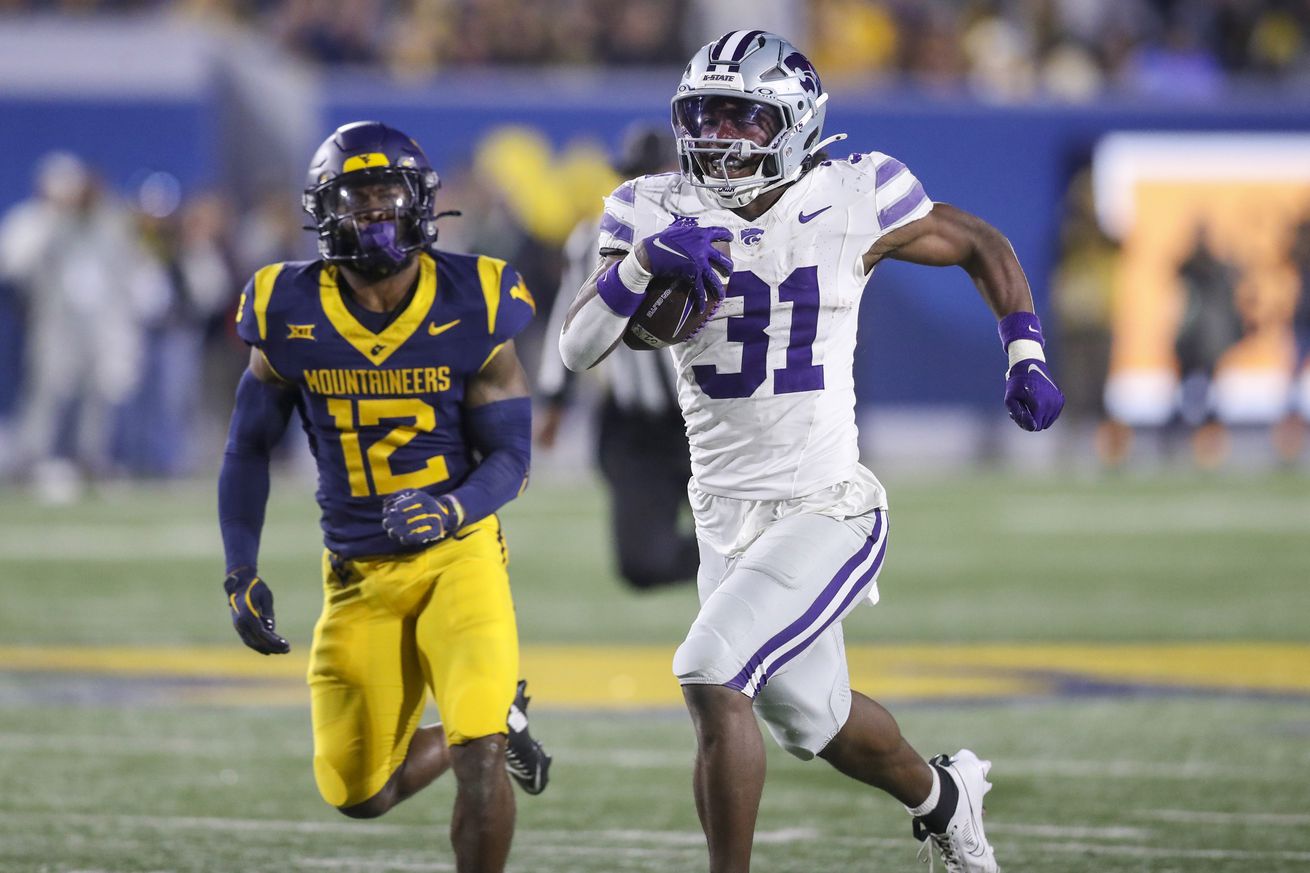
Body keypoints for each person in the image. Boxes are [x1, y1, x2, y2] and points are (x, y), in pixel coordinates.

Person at [559, 31, 1064, 873]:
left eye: (742, 117)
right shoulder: (651, 208)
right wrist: (642, 261)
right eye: (705, 115)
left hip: (826, 503)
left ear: (793, 124)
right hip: (725, 518)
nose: (719, 137)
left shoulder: (856, 191)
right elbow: (579, 349)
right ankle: (946, 797)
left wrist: (1025, 349)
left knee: (711, 671)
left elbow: (980, 242)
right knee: (813, 721)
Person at [217, 121, 551, 873]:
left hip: (457, 556)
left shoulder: (478, 295)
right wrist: (240, 569)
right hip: (358, 573)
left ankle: (489, 723)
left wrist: (453, 507)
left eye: (386, 194)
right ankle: (501, 711)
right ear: (322, 211)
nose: (374, 214)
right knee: (359, 792)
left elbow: (513, 456)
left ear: (421, 202)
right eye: (355, 198)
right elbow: (245, 447)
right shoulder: (284, 304)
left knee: (478, 755)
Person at [537, 123, 698, 590]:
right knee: (642, 563)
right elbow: (566, 321)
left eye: (658, 173)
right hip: (637, 425)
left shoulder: (728, 231)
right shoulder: (593, 238)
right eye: (637, 174)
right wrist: (554, 398)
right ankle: (733, 562)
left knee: (758, 533)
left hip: (714, 417)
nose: (648, 185)